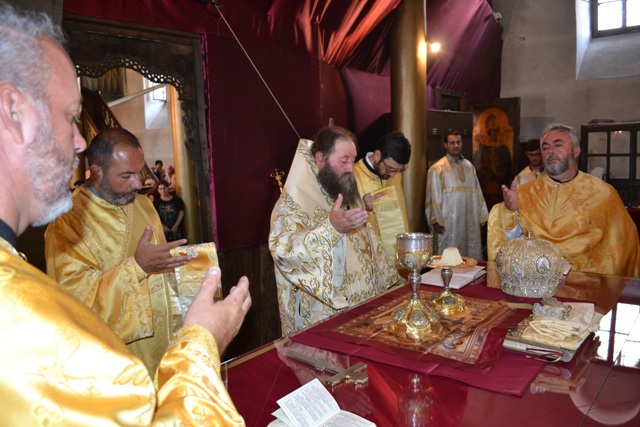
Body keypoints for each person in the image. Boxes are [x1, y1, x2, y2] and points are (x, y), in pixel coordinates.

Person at [0, 3, 251, 425]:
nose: (79, 141)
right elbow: (77, 308)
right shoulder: (64, 228)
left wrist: (190, 276)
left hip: (162, 350)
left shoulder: (144, 205)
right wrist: (202, 341)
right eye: (70, 116)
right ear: (13, 111)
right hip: (126, 359)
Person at [46, 127, 188, 375]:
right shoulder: (67, 223)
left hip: (167, 344)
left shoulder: (143, 204)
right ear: (97, 173)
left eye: (140, 172)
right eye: (126, 175)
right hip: (117, 365)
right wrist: (137, 268)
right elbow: (74, 303)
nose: (138, 183)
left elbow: (162, 269)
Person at [269, 125, 399, 335]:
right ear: (321, 159)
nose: (351, 168)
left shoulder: (342, 189)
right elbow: (284, 252)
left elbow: (367, 242)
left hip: (363, 311)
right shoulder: (293, 202)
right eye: (344, 160)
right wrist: (331, 229)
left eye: (353, 160)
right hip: (324, 318)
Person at [488, 123, 640, 276]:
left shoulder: (602, 193)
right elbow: (511, 245)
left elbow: (624, 245)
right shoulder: (525, 192)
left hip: (586, 281)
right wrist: (511, 211)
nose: (550, 151)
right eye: (545, 148)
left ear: (576, 151)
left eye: (558, 145)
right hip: (537, 280)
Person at [425, 130, 489, 259]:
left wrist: (482, 217)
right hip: (449, 223)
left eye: (458, 142)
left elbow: (478, 193)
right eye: (452, 143)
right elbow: (433, 195)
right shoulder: (437, 169)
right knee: (449, 257)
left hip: (469, 221)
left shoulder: (469, 167)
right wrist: (435, 220)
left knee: (470, 255)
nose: (456, 145)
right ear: (445, 145)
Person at [353, 131, 411, 261]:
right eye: (390, 168)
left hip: (397, 254)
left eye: (398, 170)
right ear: (378, 155)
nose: (393, 175)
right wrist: (361, 205)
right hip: (369, 257)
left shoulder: (395, 174)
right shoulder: (353, 175)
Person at [472, 109, 514, 208]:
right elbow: (477, 166)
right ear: (488, 132)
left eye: (496, 131)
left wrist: (499, 174)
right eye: (492, 131)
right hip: (485, 187)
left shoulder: (504, 148)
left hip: (500, 187)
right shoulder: (482, 148)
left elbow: (508, 167)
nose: (494, 133)